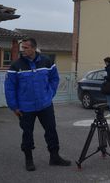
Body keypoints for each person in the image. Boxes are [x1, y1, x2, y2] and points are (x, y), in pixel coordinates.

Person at [4, 38, 71, 171]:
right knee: (27, 133)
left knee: (51, 130)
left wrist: (49, 94)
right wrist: (14, 106)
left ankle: (54, 157)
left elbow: (54, 79)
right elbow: (9, 88)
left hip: (45, 105)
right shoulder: (16, 66)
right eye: (22, 47)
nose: (23, 50)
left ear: (34, 48)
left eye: (26, 47)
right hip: (25, 107)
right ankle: (29, 160)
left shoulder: (47, 61)